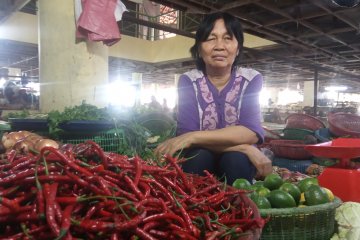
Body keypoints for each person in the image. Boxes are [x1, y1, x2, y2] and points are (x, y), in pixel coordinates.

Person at [155, 12, 272, 185]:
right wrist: (245, 147)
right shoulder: (189, 81)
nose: (219, 46)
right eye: (211, 38)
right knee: (199, 157)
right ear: (199, 49)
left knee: (235, 160)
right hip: (200, 154)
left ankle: (239, 209)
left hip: (236, 161)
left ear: (238, 48)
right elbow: (186, 135)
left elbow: (250, 131)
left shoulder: (251, 79)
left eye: (227, 38)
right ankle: (196, 209)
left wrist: (193, 137)